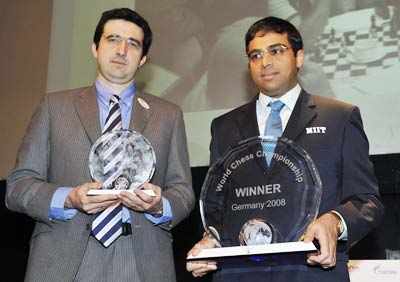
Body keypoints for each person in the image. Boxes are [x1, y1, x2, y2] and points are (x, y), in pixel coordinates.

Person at [186, 16, 383, 281]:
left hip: (311, 272)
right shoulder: (224, 127)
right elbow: (215, 204)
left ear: (299, 57)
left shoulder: (339, 118)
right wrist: (210, 239)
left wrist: (334, 221)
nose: (265, 62)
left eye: (276, 51)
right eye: (255, 55)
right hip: (241, 275)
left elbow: (367, 201)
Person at [6, 8, 195, 282]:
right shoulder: (54, 107)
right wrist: (68, 198)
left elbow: (183, 192)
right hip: (65, 260)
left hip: (141, 261)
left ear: (143, 58)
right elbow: (19, 186)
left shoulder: (168, 115)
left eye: (133, 43)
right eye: (112, 39)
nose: (121, 50)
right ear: (95, 47)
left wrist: (158, 206)